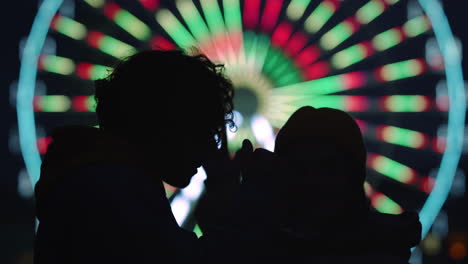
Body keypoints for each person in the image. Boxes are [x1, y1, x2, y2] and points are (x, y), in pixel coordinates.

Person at [33, 49, 235, 264]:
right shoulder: (114, 190)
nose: (209, 149)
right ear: (167, 123)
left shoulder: (93, 176)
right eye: (201, 130)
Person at [197, 106, 422, 263]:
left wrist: (231, 196)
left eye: (327, 169)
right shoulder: (386, 243)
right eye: (300, 169)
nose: (313, 183)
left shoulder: (268, 244)